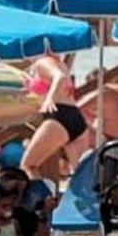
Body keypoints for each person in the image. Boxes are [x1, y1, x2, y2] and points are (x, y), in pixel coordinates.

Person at [21, 52, 87, 183]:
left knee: (28, 166)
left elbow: (60, 78)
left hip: (58, 116)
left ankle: (41, 200)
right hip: (75, 117)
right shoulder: (59, 64)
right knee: (82, 175)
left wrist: (50, 98)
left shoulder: (43, 62)